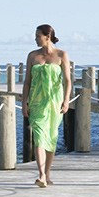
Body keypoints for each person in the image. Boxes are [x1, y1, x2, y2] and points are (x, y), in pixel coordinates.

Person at [25, 24, 72, 187]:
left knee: (51, 138)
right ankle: (41, 175)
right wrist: (25, 102)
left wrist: (66, 101)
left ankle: (48, 173)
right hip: (37, 102)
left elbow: (67, 81)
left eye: (38, 36)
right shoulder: (32, 56)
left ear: (47, 37)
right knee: (39, 137)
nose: (35, 38)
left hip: (54, 102)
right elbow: (27, 82)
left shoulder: (61, 55)